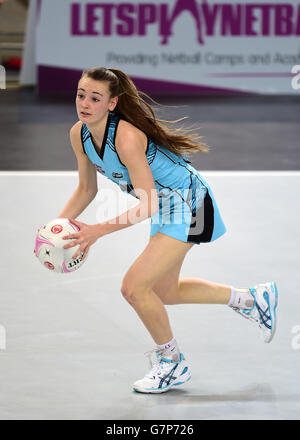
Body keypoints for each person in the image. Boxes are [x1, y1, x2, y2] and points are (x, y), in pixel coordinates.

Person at [59, 67, 278, 394]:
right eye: (81, 95)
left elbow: (145, 205)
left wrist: (95, 231)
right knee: (163, 291)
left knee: (133, 288)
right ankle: (251, 300)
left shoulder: (127, 137)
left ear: (112, 103)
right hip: (165, 205)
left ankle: (173, 363)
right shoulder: (80, 134)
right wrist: (58, 226)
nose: (85, 103)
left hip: (191, 203)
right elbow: (86, 189)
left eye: (95, 97)